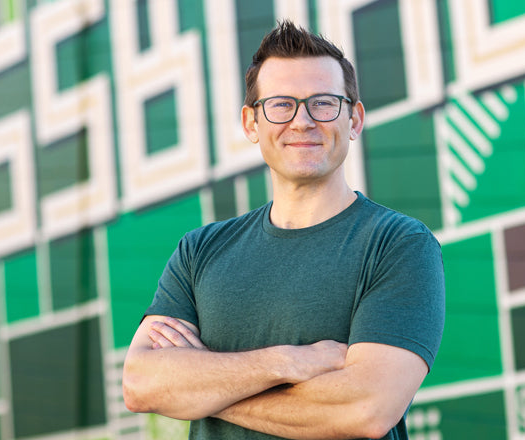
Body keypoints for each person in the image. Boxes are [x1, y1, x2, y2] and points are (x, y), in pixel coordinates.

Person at [122, 20, 445, 440]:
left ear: (355, 119)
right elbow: (141, 383)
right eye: (280, 105)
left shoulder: (397, 245)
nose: (302, 122)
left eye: (324, 103)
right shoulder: (200, 251)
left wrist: (206, 389)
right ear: (251, 123)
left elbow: (366, 408)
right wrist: (286, 362)